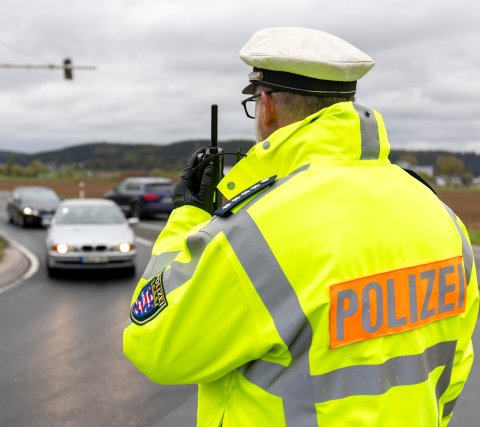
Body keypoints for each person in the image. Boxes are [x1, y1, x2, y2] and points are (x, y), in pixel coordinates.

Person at [122, 27, 478, 426]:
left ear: (267, 104)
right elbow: (455, 365)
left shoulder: (258, 232)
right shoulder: (440, 216)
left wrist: (187, 215)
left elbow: (155, 345)